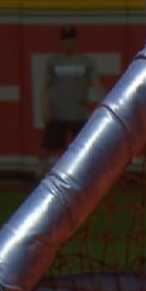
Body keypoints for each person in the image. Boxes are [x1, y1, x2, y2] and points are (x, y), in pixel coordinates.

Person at [36, 25, 104, 178]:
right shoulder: (54, 61)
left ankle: (88, 183)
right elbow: (46, 87)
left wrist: (103, 104)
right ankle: (36, 186)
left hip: (78, 114)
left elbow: (96, 84)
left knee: (85, 152)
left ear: (76, 41)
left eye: (71, 39)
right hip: (57, 114)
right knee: (45, 152)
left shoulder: (85, 61)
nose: (68, 43)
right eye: (65, 40)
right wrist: (44, 109)